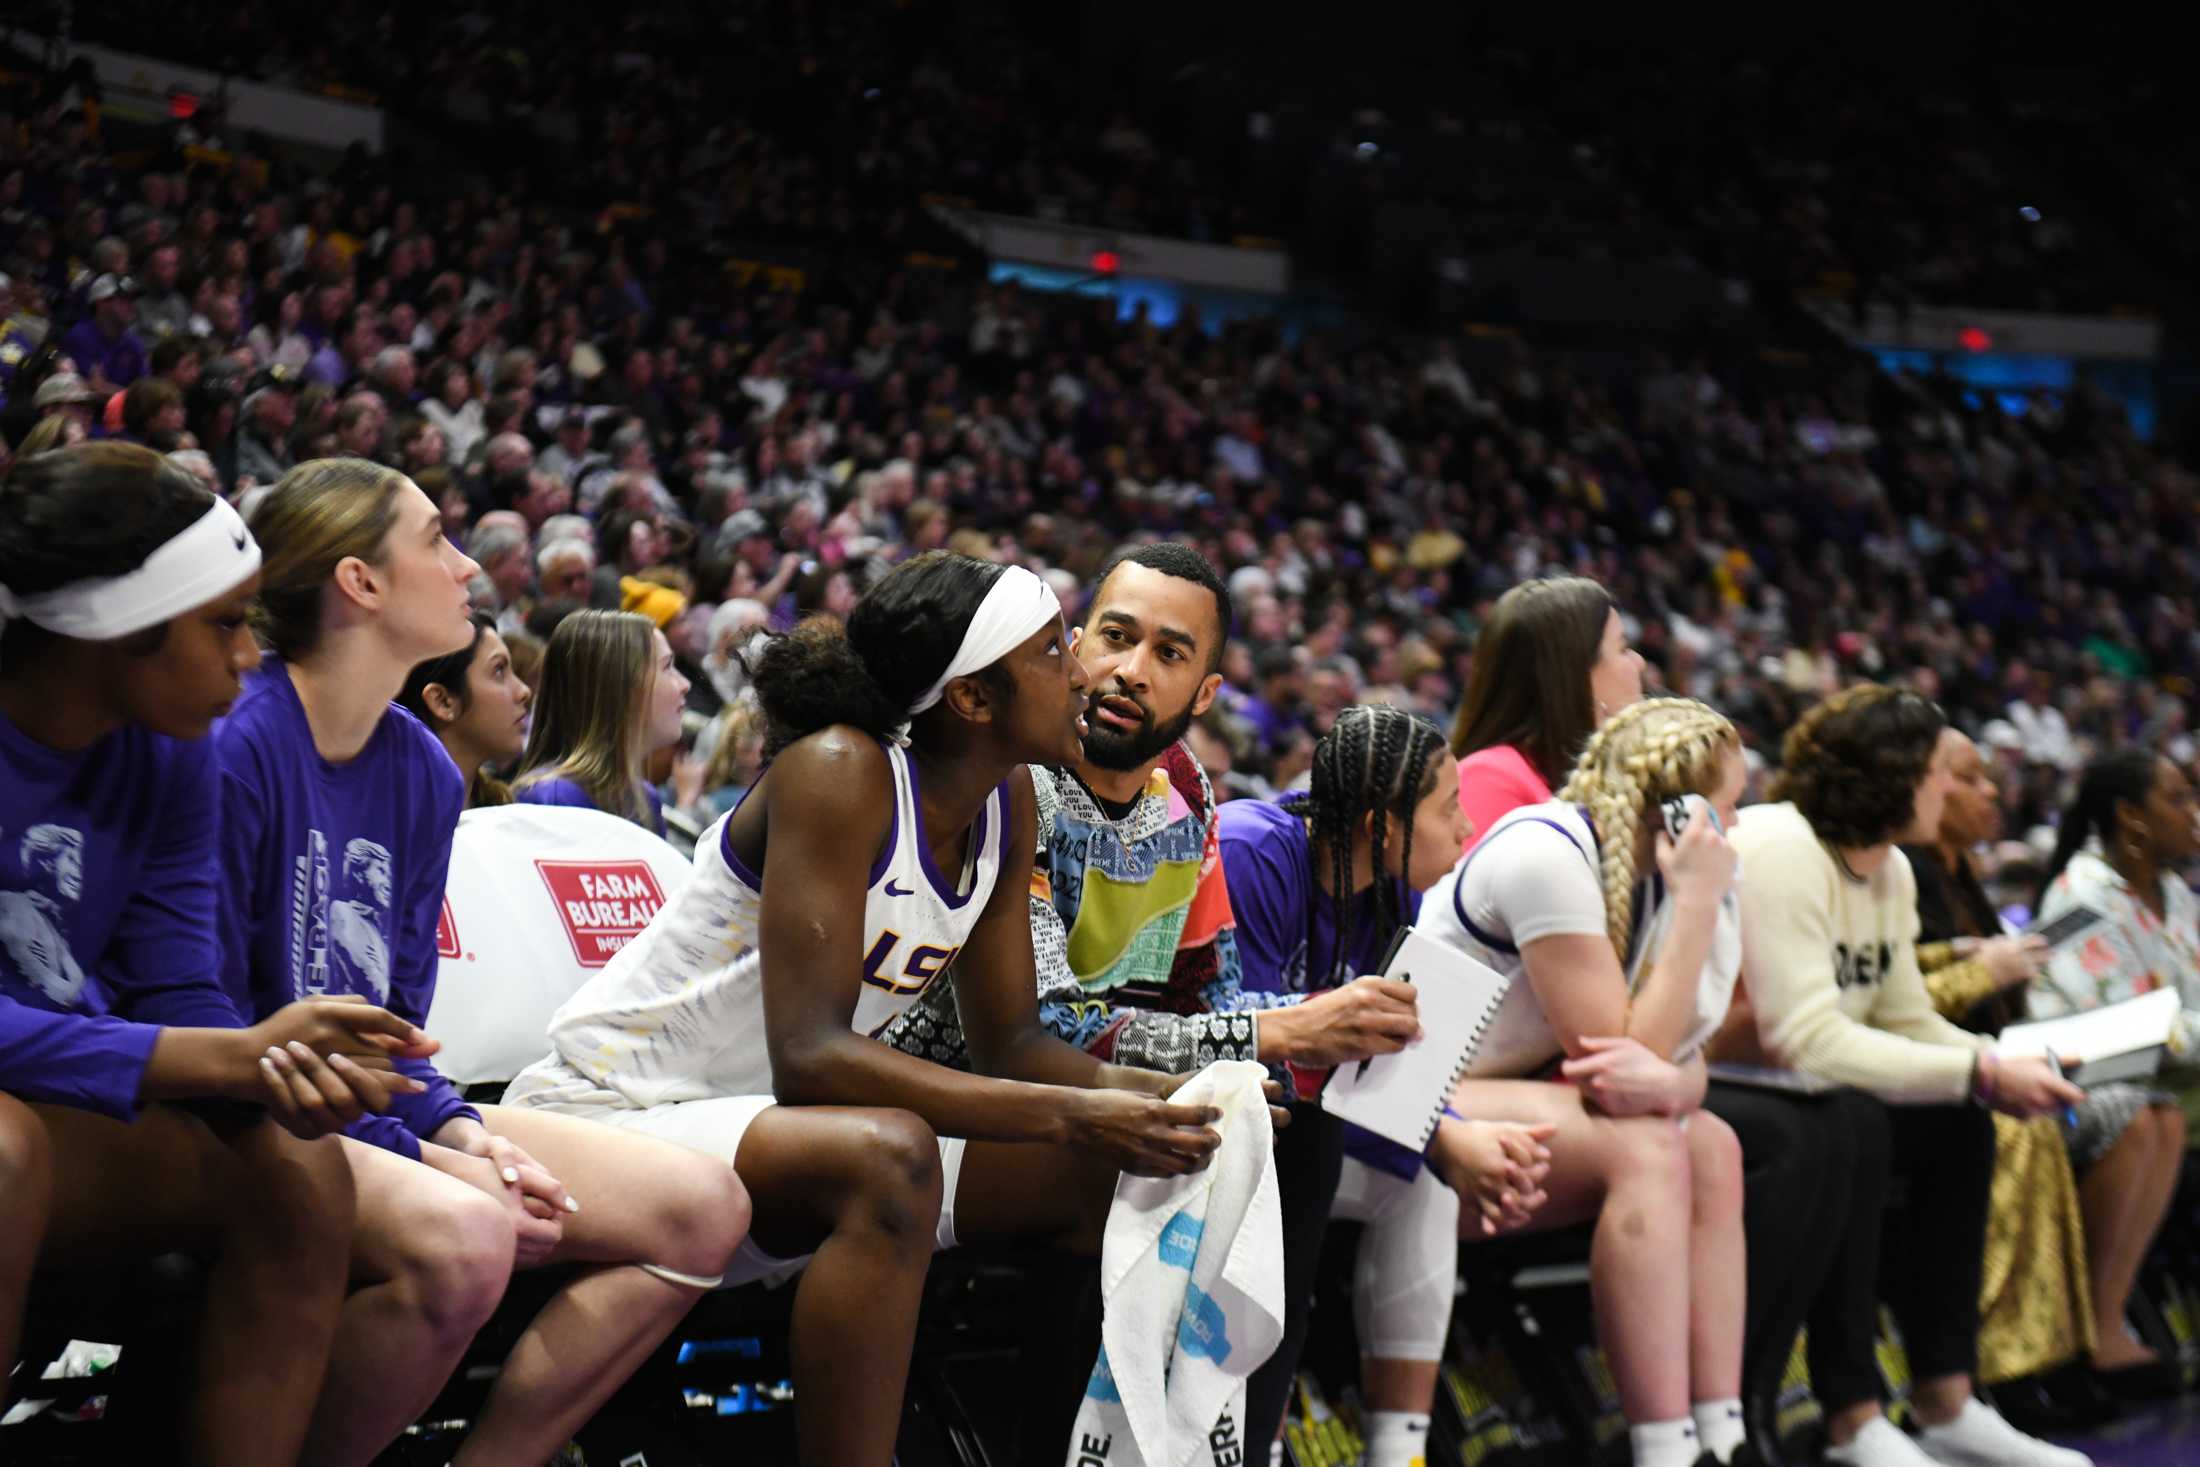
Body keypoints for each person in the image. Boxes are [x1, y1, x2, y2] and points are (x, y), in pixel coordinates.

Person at [504, 550, 1235, 1466]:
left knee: (1109, 1178)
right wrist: (1077, 1110)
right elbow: (809, 1057)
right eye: (1057, 652)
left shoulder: (1006, 802)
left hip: (760, 1140)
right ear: (973, 698)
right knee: (894, 1154)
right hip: (616, 1114)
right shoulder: (841, 770)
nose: (1086, 669)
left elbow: (1010, 1039)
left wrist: (1166, 1092)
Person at [215, 457, 752, 1467]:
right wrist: (437, 1153)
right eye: (434, 541)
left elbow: (398, 1029)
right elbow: (221, 1029)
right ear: (358, 584)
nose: (464, 567)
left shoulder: (419, 765)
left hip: (368, 1111)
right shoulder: (238, 745)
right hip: (250, 1109)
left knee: (703, 1208)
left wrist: (459, 1125)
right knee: (471, 1235)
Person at [878, 543, 1426, 1455]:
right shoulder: (1017, 782)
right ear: (1075, 641)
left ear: (1205, 695)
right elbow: (1042, 1027)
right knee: (1150, 1140)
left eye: (1170, 653)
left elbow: (1208, 985)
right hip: (969, 1087)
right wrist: (1272, 1028)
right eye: (1116, 637)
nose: (1130, 670)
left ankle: (1239, 1441)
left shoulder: (1186, 795)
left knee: (1294, 1118)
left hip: (1086, 1085)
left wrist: (1291, 1040)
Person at [0, 442, 439, 1465]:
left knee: (297, 1171)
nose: (251, 660)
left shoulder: (174, 746)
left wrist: (281, 1071)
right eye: (226, 625)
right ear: (116, 630)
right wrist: (221, 1059)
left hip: (57, 1110)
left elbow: (175, 980)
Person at [1734, 684, 2089, 1467]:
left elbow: (1901, 1016)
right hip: (1731, 1079)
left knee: (1956, 1122)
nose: (1948, 787)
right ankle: (1851, 1416)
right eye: (1938, 769)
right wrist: (1980, 1068)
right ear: (1890, 773)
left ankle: (1945, 1399)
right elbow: (1802, 1038)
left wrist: (2000, 1066)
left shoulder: (1890, 867)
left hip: (1813, 1087)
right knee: (1857, 1122)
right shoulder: (1779, 846)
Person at [1219, 703, 1554, 1467]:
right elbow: (1233, 1049)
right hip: (1212, 1125)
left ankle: (1398, 1452)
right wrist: (1445, 1133)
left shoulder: (1396, 893)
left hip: (1302, 1131)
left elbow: (1394, 1070)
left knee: (1411, 1175)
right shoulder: (1254, 852)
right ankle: (1248, 1442)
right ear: (1382, 825)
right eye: (1450, 806)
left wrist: (1450, 1137)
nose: (1468, 827)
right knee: (1307, 1142)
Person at [1416, 697, 1748, 1467]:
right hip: (1410, 1102)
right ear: (1684, 812)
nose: (1732, 830)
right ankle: (1664, 1448)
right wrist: (1700, 905)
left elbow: (1682, 1062)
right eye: (1728, 807)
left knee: (1715, 1146)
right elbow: (1619, 1067)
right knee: (1647, 1150)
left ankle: (1724, 1433)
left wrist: (1675, 1087)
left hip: (1495, 1089)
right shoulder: (1548, 854)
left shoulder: (1649, 873)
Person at [1907, 731, 2182, 1405]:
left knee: (2154, 1112)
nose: (1992, 791)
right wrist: (1985, 969)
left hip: (2016, 1061)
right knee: (2119, 1111)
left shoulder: (1960, 874)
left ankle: (2095, 1323)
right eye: (1970, 778)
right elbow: (1900, 998)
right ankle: (2039, 1346)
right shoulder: (1911, 874)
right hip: (1949, 1076)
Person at [2026, 750, 2196, 1381]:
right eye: (2178, 799)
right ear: (2132, 817)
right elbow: (2134, 1025)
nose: (2194, 815)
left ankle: (2114, 1319)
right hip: (2085, 1071)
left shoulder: (2176, 893)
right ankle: (2100, 1325)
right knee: (2151, 1117)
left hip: (2172, 1071)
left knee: (2167, 1113)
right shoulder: (2079, 895)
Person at [1449, 575, 1643, 841]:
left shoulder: (1596, 773)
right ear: (1575, 673)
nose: (1639, 663)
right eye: (1623, 649)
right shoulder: (1491, 778)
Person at [510, 608, 684, 836]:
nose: (684, 684)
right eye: (667, 666)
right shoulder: (550, 797)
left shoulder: (643, 797)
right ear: (621, 688)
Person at [396, 611, 531, 807]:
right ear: (443, 701)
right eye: (499, 670)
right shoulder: (386, 821)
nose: (524, 691)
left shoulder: (504, 809)